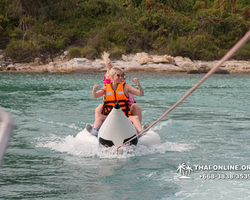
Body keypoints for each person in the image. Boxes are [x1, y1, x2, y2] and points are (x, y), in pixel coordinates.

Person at [86, 66, 149, 136]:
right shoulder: (106, 88)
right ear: (112, 77)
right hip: (109, 117)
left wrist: (138, 85)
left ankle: (140, 131)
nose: (121, 77)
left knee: (135, 118)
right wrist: (94, 90)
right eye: (118, 75)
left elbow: (140, 94)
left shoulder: (126, 87)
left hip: (124, 117)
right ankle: (94, 130)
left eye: (122, 75)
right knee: (99, 117)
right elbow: (95, 96)